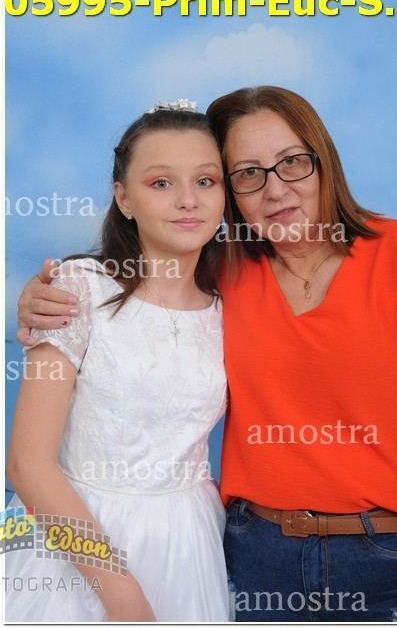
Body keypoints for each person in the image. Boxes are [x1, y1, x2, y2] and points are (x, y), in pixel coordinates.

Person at [16, 86, 397, 622]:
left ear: (323, 160)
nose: (275, 189)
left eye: (292, 162)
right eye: (248, 173)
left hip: (371, 553)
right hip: (248, 549)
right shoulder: (222, 273)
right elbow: (29, 459)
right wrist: (39, 300)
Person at [6, 102, 231, 622]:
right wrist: (122, 595)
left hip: (187, 541)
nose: (187, 200)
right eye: (160, 183)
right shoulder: (77, 288)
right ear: (123, 197)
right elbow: (26, 464)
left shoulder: (230, 304)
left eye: (205, 180)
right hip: (72, 538)